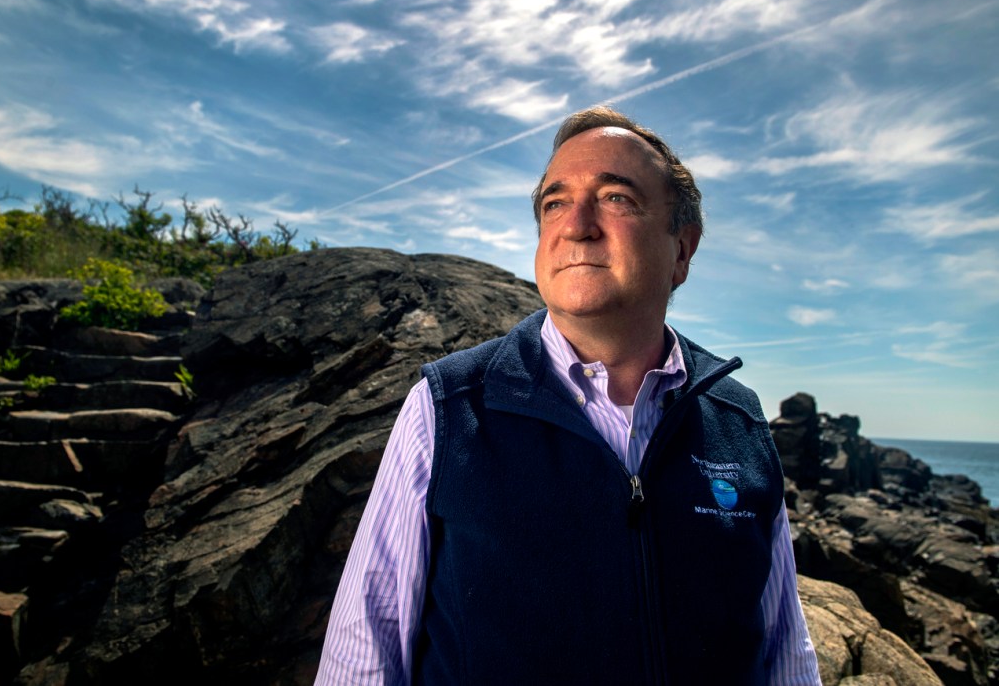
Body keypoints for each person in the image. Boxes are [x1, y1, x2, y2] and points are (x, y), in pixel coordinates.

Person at [316, 106, 821, 685]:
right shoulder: (449, 408)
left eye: (615, 198)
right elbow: (365, 651)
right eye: (555, 203)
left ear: (682, 248)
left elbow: (785, 650)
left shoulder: (739, 421)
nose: (576, 224)